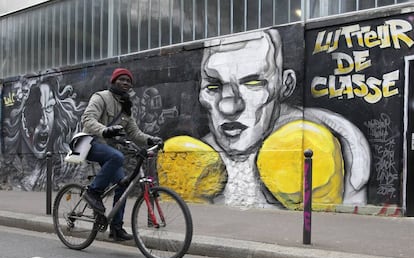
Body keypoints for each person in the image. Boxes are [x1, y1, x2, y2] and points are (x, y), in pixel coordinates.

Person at [197, 28, 371, 208]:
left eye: (253, 83)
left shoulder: (328, 140)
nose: (228, 106)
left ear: (285, 85)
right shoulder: (201, 155)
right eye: (213, 87)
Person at [81, 68, 162, 241]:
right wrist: (105, 130)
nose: (125, 83)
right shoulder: (101, 97)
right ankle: (93, 193)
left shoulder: (126, 108)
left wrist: (151, 139)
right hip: (90, 143)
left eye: (128, 81)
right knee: (117, 157)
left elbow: (134, 133)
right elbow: (87, 120)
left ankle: (116, 228)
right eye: (122, 79)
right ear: (114, 81)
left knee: (123, 183)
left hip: (108, 150)